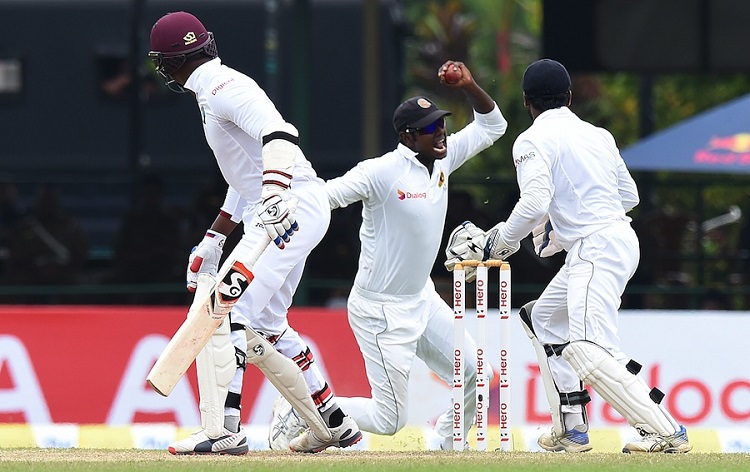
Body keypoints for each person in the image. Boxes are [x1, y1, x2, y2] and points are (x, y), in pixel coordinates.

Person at [444, 58, 691, 454]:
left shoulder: (531, 140)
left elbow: (534, 203)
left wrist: (498, 243)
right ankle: (570, 428)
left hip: (596, 249)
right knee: (542, 319)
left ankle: (664, 430)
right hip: (614, 241)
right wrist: (560, 232)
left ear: (526, 101)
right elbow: (629, 196)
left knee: (589, 348)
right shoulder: (599, 135)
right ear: (570, 97)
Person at [147, 11, 361, 454]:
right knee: (267, 324)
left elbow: (279, 133)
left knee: (225, 312)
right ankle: (333, 422)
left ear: (169, 63)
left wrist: (276, 192)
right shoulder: (212, 89)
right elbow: (245, 174)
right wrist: (215, 237)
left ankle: (223, 430)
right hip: (287, 208)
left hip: (287, 208)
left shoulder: (224, 87)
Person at [268, 60, 508, 450]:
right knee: (389, 419)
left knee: (477, 375)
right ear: (408, 137)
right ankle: (302, 410)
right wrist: (280, 205)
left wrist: (468, 85)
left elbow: (493, 126)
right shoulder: (381, 172)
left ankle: (448, 448)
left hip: (422, 298)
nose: (441, 132)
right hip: (380, 310)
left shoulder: (444, 158)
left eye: (441, 124)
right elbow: (326, 196)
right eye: (430, 128)